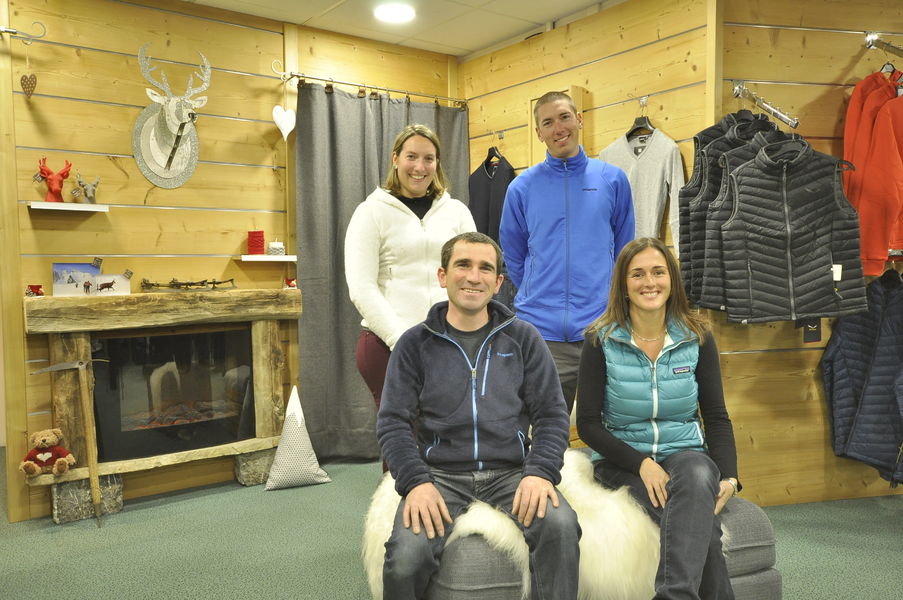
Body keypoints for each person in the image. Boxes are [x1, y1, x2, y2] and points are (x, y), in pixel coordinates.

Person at [377, 231, 580, 599]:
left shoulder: (524, 339)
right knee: (405, 558)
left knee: (561, 526)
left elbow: (552, 415)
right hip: (440, 475)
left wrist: (540, 472)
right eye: (463, 265)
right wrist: (416, 482)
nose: (474, 276)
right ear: (443, 276)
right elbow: (392, 423)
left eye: (485, 268)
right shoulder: (413, 344)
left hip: (512, 472)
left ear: (498, 283)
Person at [576, 237, 739, 600]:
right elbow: (587, 424)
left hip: (685, 454)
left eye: (658, 272)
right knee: (701, 528)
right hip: (621, 462)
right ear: (623, 285)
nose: (649, 282)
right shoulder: (600, 340)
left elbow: (716, 416)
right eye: (637, 274)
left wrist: (729, 476)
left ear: (671, 280)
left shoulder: (697, 337)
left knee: (698, 473)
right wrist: (642, 464)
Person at [499, 90, 635, 415]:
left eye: (564, 117)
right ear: (539, 133)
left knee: (607, 427)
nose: (558, 128)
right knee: (545, 429)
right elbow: (514, 256)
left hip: (601, 329)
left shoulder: (612, 180)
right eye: (548, 123)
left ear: (579, 119)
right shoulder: (521, 188)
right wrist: (539, 291)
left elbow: (625, 250)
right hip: (541, 333)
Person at [344, 124, 476, 424]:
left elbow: (472, 275)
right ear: (396, 159)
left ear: (437, 163)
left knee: (449, 433)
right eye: (411, 157)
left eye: (429, 158)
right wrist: (401, 340)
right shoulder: (371, 212)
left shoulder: (456, 211)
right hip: (387, 345)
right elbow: (362, 287)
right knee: (405, 436)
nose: (420, 167)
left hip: (448, 342)